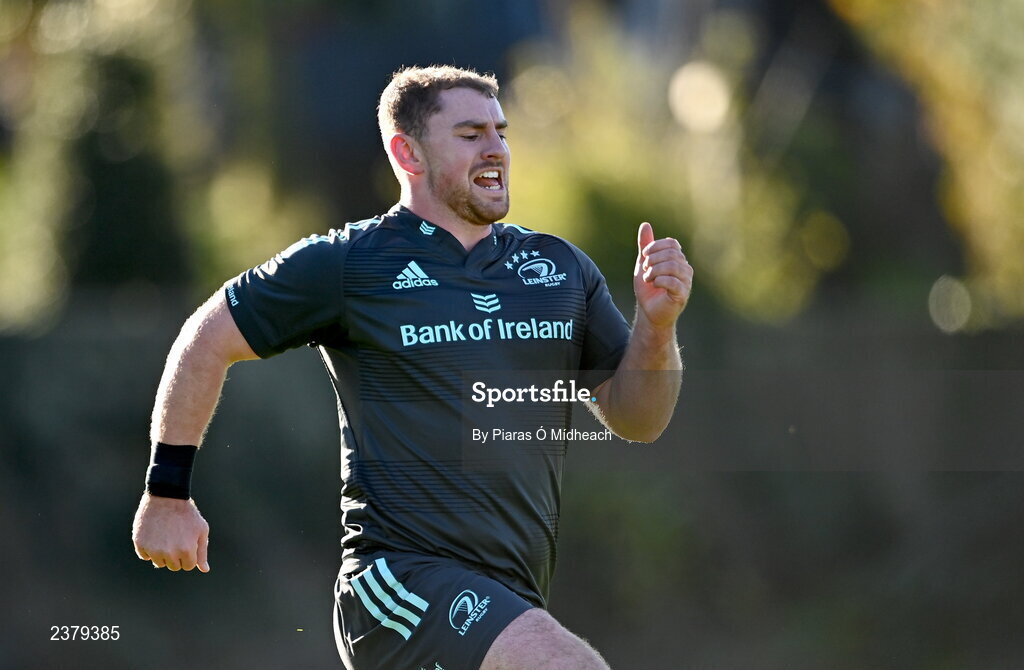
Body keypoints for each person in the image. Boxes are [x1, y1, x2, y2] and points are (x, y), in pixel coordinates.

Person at [132, 65, 693, 670]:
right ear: (408, 153)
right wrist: (167, 492)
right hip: (396, 584)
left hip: (513, 594)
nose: (496, 149)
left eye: (500, 132)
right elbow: (205, 338)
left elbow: (639, 420)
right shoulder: (350, 263)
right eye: (471, 134)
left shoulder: (560, 268)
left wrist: (657, 326)